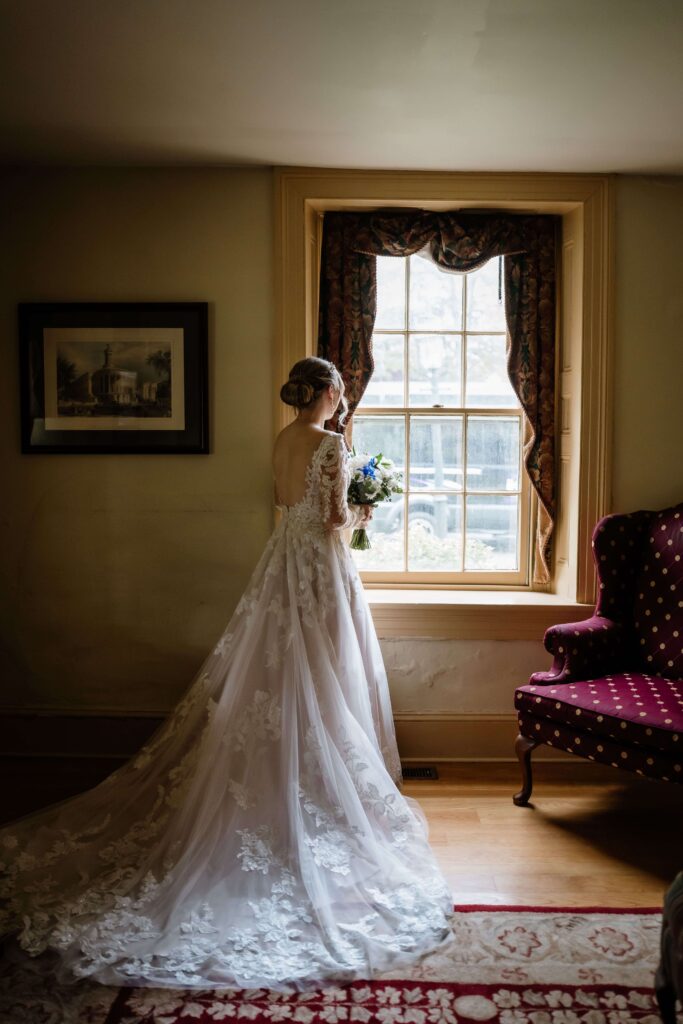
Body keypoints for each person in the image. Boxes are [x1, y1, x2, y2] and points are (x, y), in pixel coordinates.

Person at [0, 357, 455, 991]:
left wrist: (346, 502)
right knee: (322, 668)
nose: (342, 397)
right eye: (339, 389)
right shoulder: (330, 443)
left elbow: (285, 503)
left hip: (283, 557)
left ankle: (291, 772)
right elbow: (333, 521)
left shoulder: (283, 437)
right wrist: (364, 512)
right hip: (319, 566)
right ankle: (315, 781)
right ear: (327, 391)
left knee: (283, 667)